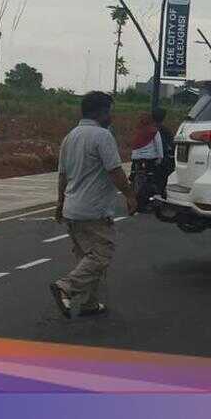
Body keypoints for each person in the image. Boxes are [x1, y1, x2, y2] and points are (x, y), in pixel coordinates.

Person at [50, 91, 136, 319]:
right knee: (100, 256)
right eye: (110, 110)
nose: (112, 115)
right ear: (101, 112)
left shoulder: (70, 136)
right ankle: (65, 287)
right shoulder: (102, 136)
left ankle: (90, 303)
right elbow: (115, 171)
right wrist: (130, 195)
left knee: (86, 258)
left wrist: (60, 205)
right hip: (94, 211)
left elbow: (62, 175)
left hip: (72, 209)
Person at [128, 111, 164, 213]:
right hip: (149, 158)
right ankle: (149, 201)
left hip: (136, 158)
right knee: (151, 179)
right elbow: (158, 145)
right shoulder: (154, 131)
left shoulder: (138, 130)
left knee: (134, 178)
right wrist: (160, 158)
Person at [152, 107, 175, 202]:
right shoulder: (165, 130)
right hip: (161, 157)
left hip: (145, 156)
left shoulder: (146, 128)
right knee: (168, 169)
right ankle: (161, 191)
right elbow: (171, 145)